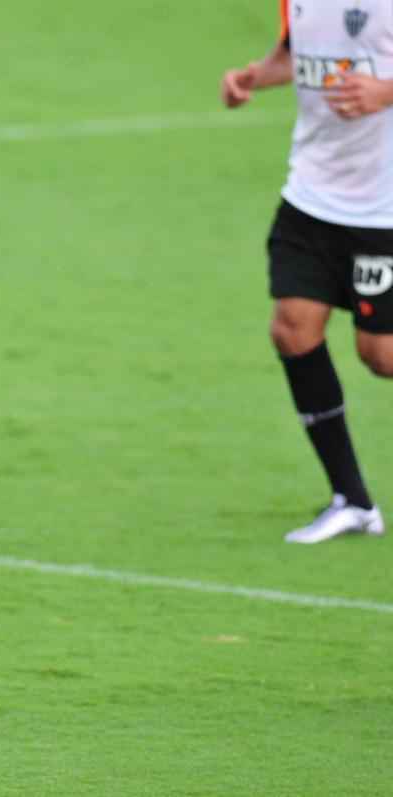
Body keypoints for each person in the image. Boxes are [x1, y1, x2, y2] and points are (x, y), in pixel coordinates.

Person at [221, 0, 393, 543]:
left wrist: (386, 92)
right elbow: (297, 57)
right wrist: (254, 75)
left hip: (382, 211)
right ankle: (353, 500)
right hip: (310, 199)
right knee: (292, 329)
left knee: (382, 355)